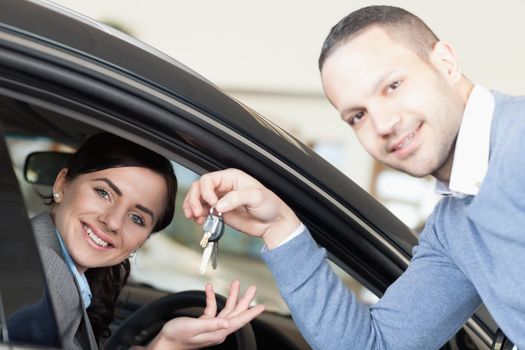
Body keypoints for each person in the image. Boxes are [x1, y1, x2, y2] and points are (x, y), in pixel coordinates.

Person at [182, 5, 524, 350]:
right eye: (358, 115)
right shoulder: (454, 227)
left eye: (393, 86)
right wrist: (280, 228)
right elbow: (376, 345)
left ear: (446, 63)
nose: (383, 124)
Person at [8, 133, 264, 349]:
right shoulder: (45, 269)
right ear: (62, 184)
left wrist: (166, 339)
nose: (113, 222)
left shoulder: (42, 258)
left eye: (137, 218)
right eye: (103, 192)